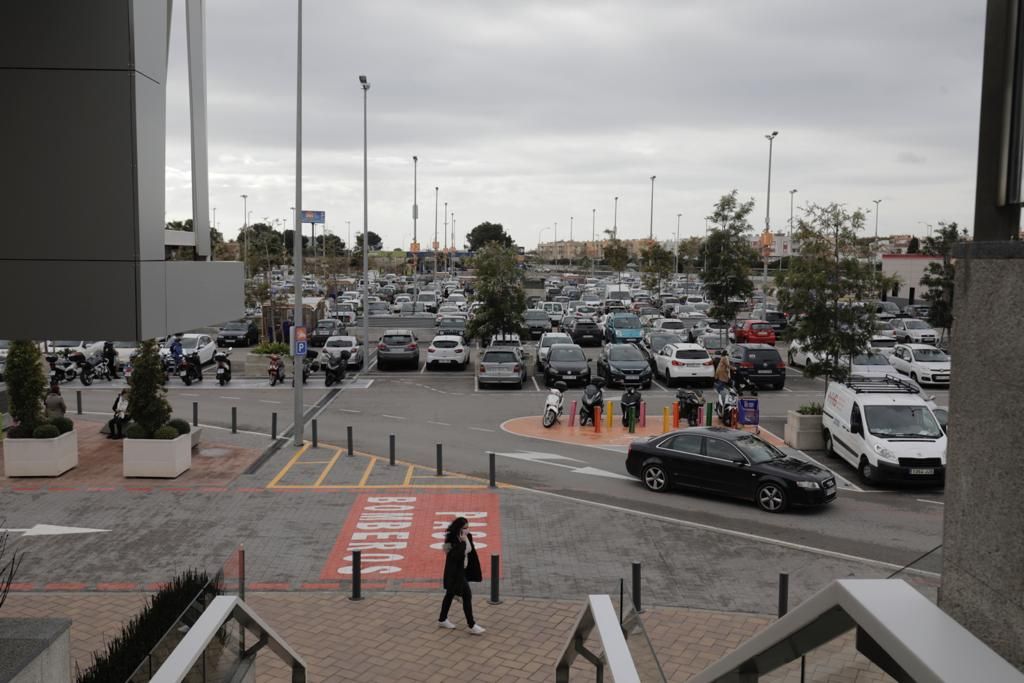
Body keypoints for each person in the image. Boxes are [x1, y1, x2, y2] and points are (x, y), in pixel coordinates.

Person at [437, 516, 485, 635]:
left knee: (450, 594)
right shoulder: (451, 540)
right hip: (455, 573)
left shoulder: (468, 536)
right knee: (467, 596)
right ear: (458, 528)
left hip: (463, 570)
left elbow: (470, 551)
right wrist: (463, 542)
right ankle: (471, 625)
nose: (467, 530)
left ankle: (442, 619)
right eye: (465, 528)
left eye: (468, 527)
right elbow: (456, 555)